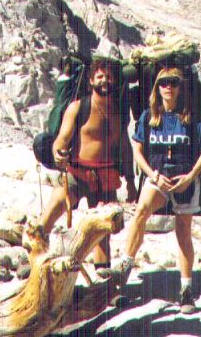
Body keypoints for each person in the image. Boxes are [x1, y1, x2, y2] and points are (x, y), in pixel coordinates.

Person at [98, 67, 201, 312]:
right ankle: (125, 265)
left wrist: (191, 176)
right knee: (141, 212)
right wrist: (152, 175)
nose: (168, 87)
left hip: (185, 178)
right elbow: (137, 149)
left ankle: (186, 289)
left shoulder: (190, 117)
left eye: (173, 82)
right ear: (157, 87)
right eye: (163, 83)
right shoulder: (149, 116)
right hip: (158, 176)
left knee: (183, 231)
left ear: (181, 87)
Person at [43, 58, 137, 269]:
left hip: (105, 178)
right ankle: (33, 256)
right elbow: (62, 138)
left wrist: (131, 180)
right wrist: (58, 154)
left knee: (102, 233)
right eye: (100, 76)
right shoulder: (78, 107)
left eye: (109, 77)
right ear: (91, 81)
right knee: (51, 212)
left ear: (115, 81)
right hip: (77, 173)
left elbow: (124, 147)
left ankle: (103, 277)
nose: (104, 80)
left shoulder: (118, 112)